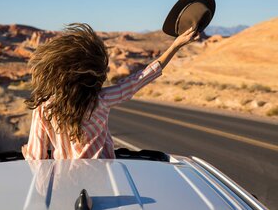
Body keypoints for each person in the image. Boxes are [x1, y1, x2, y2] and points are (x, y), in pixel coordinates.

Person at [22, 23, 198, 160]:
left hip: (65, 181)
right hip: (105, 175)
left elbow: (36, 158)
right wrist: (175, 45)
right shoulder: (102, 100)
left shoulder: (43, 109)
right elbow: (140, 78)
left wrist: (27, 152)